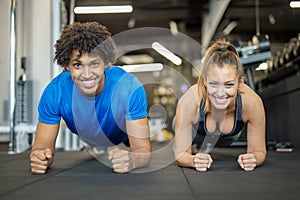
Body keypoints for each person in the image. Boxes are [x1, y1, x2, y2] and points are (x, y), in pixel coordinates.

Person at [30, 22, 151, 174]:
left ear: (106, 63)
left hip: (122, 131)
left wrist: (133, 159)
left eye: (94, 64)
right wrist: (41, 158)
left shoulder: (129, 88)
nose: (87, 75)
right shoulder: (55, 92)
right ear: (67, 66)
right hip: (89, 136)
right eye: (78, 65)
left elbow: (143, 151)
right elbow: (41, 149)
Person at [174, 40, 266, 172]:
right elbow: (180, 155)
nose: (220, 93)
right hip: (196, 135)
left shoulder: (252, 102)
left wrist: (253, 159)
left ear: (240, 83)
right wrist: (193, 160)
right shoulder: (189, 102)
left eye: (228, 85)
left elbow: (259, 152)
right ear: (205, 80)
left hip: (229, 139)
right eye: (213, 84)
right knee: (181, 135)